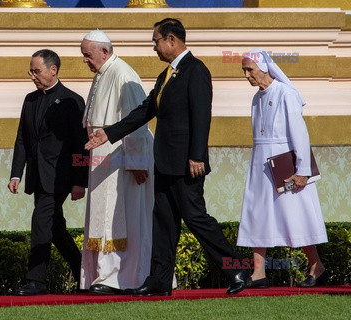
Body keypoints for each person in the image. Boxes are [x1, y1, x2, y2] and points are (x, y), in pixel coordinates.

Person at [85, 18, 249, 296]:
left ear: (171, 40)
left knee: (196, 218)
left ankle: (237, 268)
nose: (154, 48)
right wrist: (109, 133)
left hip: (187, 164)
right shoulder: (166, 75)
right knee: (164, 223)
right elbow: (145, 110)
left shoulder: (195, 71)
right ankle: (159, 281)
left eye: (156, 41)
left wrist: (197, 155)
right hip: (164, 162)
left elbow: (201, 116)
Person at [237, 48, 328, 288]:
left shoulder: (286, 93)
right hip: (260, 165)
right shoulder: (256, 98)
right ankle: (258, 273)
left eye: (250, 69)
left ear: (264, 68)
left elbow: (300, 134)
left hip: (286, 165)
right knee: (258, 213)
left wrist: (302, 171)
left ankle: (316, 266)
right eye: (244, 70)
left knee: (295, 215)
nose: (247, 75)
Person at [8, 49, 89, 295]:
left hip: (60, 177)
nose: (33, 76)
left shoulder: (72, 100)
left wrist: (79, 181)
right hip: (37, 175)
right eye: (30, 71)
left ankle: (37, 281)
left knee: (40, 221)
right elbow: (22, 138)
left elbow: (80, 145)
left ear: (53, 70)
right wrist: (16, 174)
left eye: (37, 71)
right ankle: (83, 273)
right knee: (56, 230)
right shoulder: (30, 100)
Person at [79, 30, 154, 295]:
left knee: (120, 217)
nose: (85, 61)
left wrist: (136, 162)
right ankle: (100, 275)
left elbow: (137, 121)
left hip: (123, 157)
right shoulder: (103, 73)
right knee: (102, 217)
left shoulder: (123, 73)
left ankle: (122, 277)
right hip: (103, 156)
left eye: (88, 55)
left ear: (104, 51)